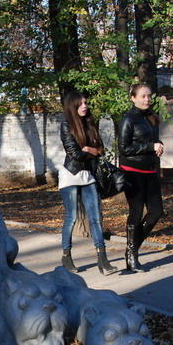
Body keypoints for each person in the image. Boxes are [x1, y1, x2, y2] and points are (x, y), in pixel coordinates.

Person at [58, 91, 118, 276]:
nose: (85, 106)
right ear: (73, 106)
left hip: (89, 175)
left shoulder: (90, 124)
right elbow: (75, 153)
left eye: (86, 102)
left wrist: (89, 149)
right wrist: (88, 150)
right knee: (72, 217)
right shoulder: (66, 125)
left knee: (95, 218)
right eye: (81, 103)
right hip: (70, 175)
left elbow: (100, 149)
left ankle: (103, 259)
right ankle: (66, 256)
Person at [117, 83, 165, 272]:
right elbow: (124, 148)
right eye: (143, 96)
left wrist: (159, 144)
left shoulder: (150, 118)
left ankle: (132, 249)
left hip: (150, 170)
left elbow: (152, 141)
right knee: (136, 213)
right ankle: (132, 255)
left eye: (149, 96)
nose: (147, 99)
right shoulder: (128, 119)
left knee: (156, 211)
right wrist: (149, 147)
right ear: (133, 98)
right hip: (132, 171)